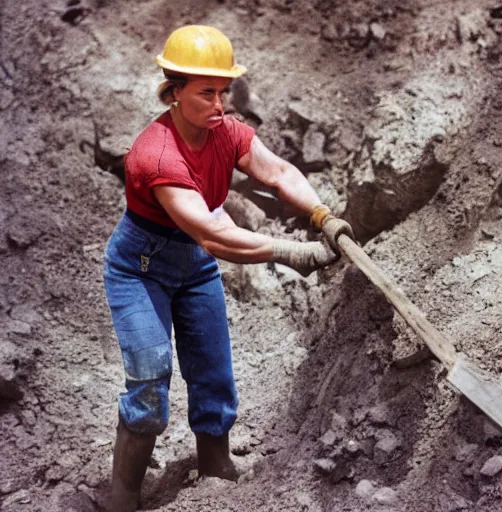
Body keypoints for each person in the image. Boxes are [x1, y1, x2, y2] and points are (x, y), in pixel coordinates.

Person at [103, 25, 354, 512]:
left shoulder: (226, 134)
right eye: (206, 93)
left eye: (224, 92)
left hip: (193, 266)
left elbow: (278, 172)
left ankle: (215, 465)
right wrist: (291, 251)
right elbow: (213, 234)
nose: (220, 105)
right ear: (173, 92)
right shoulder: (155, 155)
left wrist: (322, 215)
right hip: (141, 268)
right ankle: (123, 497)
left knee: (214, 371)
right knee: (152, 380)